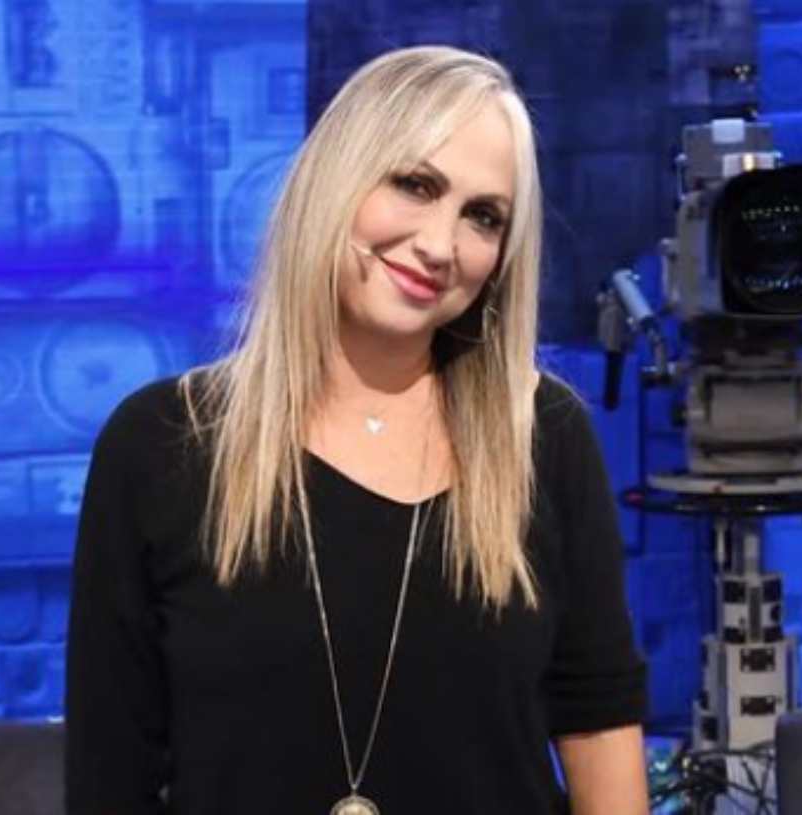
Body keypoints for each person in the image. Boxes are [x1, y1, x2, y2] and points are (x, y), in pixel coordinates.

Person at [65, 45, 649, 815]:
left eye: (483, 217)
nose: (439, 245)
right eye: (415, 184)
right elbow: (111, 770)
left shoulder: (544, 436)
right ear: (338, 178)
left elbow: (600, 728)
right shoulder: (160, 443)